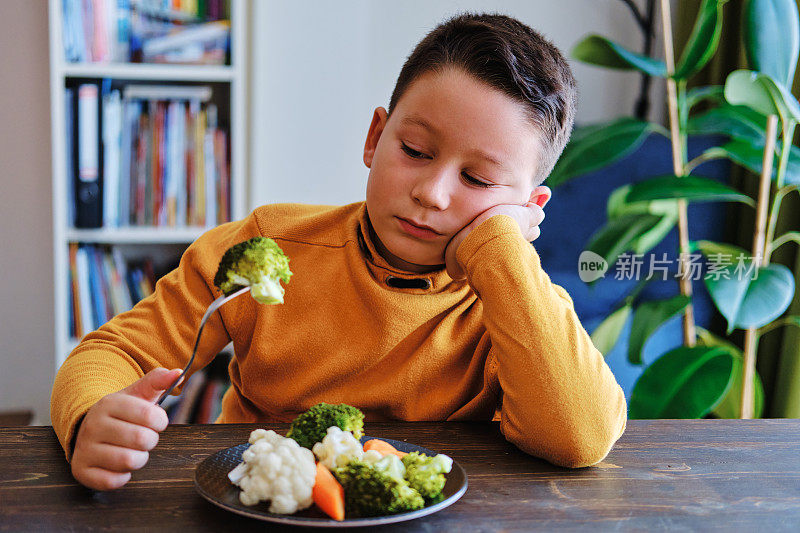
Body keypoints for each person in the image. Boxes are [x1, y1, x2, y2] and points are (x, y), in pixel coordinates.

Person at [52, 12, 627, 491]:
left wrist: (501, 248)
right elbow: (115, 351)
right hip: (257, 503)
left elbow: (579, 438)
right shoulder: (267, 245)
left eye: (478, 180)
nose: (431, 192)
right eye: (415, 149)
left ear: (530, 206)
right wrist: (90, 418)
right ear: (376, 137)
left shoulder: (513, 299)